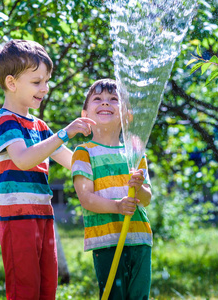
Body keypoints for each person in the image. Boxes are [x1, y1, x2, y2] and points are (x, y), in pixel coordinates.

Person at [0, 39, 95, 300]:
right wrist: (64, 133)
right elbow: (23, 159)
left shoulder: (39, 127)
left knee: (47, 286)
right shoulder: (5, 121)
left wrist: (104, 158)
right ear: (11, 83)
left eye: (46, 81)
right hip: (15, 215)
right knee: (25, 288)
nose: (45, 88)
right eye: (37, 82)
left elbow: (72, 162)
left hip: (42, 214)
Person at [71, 79, 153, 299]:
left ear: (127, 114)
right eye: (97, 99)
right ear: (84, 114)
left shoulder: (135, 153)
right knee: (113, 295)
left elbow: (146, 198)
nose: (105, 103)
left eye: (113, 100)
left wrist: (139, 188)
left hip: (139, 238)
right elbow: (86, 198)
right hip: (106, 240)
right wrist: (117, 206)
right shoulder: (84, 152)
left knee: (139, 296)